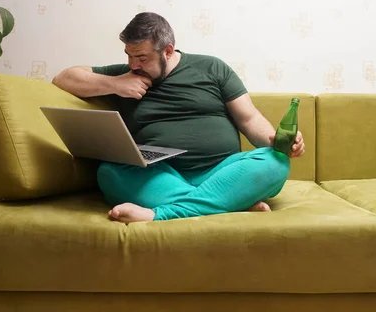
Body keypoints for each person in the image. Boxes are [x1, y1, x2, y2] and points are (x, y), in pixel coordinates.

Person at [52, 12, 305, 224]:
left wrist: (275, 140)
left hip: (221, 173)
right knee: (108, 172)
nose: (133, 64)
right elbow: (63, 78)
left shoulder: (212, 68)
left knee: (276, 161)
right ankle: (231, 203)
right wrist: (116, 84)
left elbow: (249, 120)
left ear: (168, 51)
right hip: (159, 175)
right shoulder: (124, 75)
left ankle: (160, 214)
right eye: (128, 55)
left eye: (142, 57)